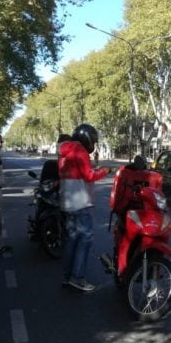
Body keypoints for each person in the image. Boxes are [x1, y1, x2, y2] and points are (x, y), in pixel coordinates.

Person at [59, 124, 110, 292]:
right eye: (93, 141)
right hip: (80, 202)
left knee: (71, 240)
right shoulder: (80, 151)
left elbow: (74, 173)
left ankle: (67, 276)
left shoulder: (65, 150)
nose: (93, 144)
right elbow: (89, 176)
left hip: (67, 200)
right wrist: (105, 171)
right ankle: (78, 277)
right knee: (85, 240)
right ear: (86, 138)